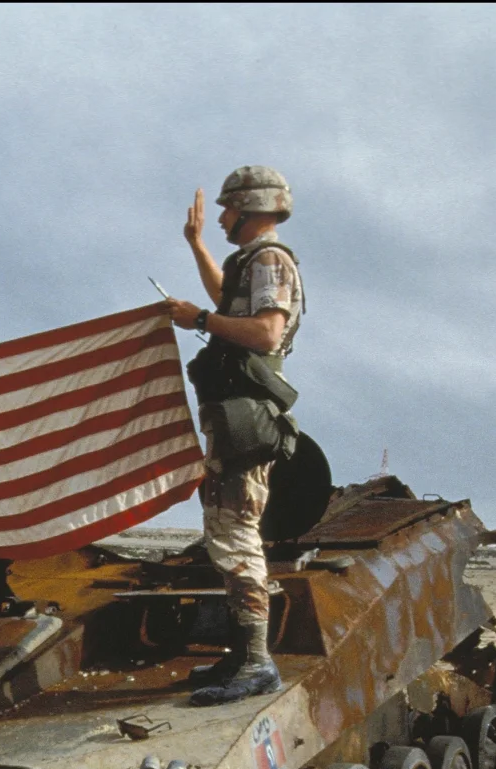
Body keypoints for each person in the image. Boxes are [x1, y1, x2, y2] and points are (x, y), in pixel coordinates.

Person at [164, 166, 305, 706]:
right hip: (233, 414)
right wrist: (197, 246)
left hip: (246, 416)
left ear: (251, 208)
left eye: (228, 209)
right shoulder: (252, 262)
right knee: (225, 530)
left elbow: (266, 331)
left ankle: (255, 663)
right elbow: (229, 301)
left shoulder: (270, 258)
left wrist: (200, 319)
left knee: (236, 533)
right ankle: (242, 654)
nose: (222, 217)